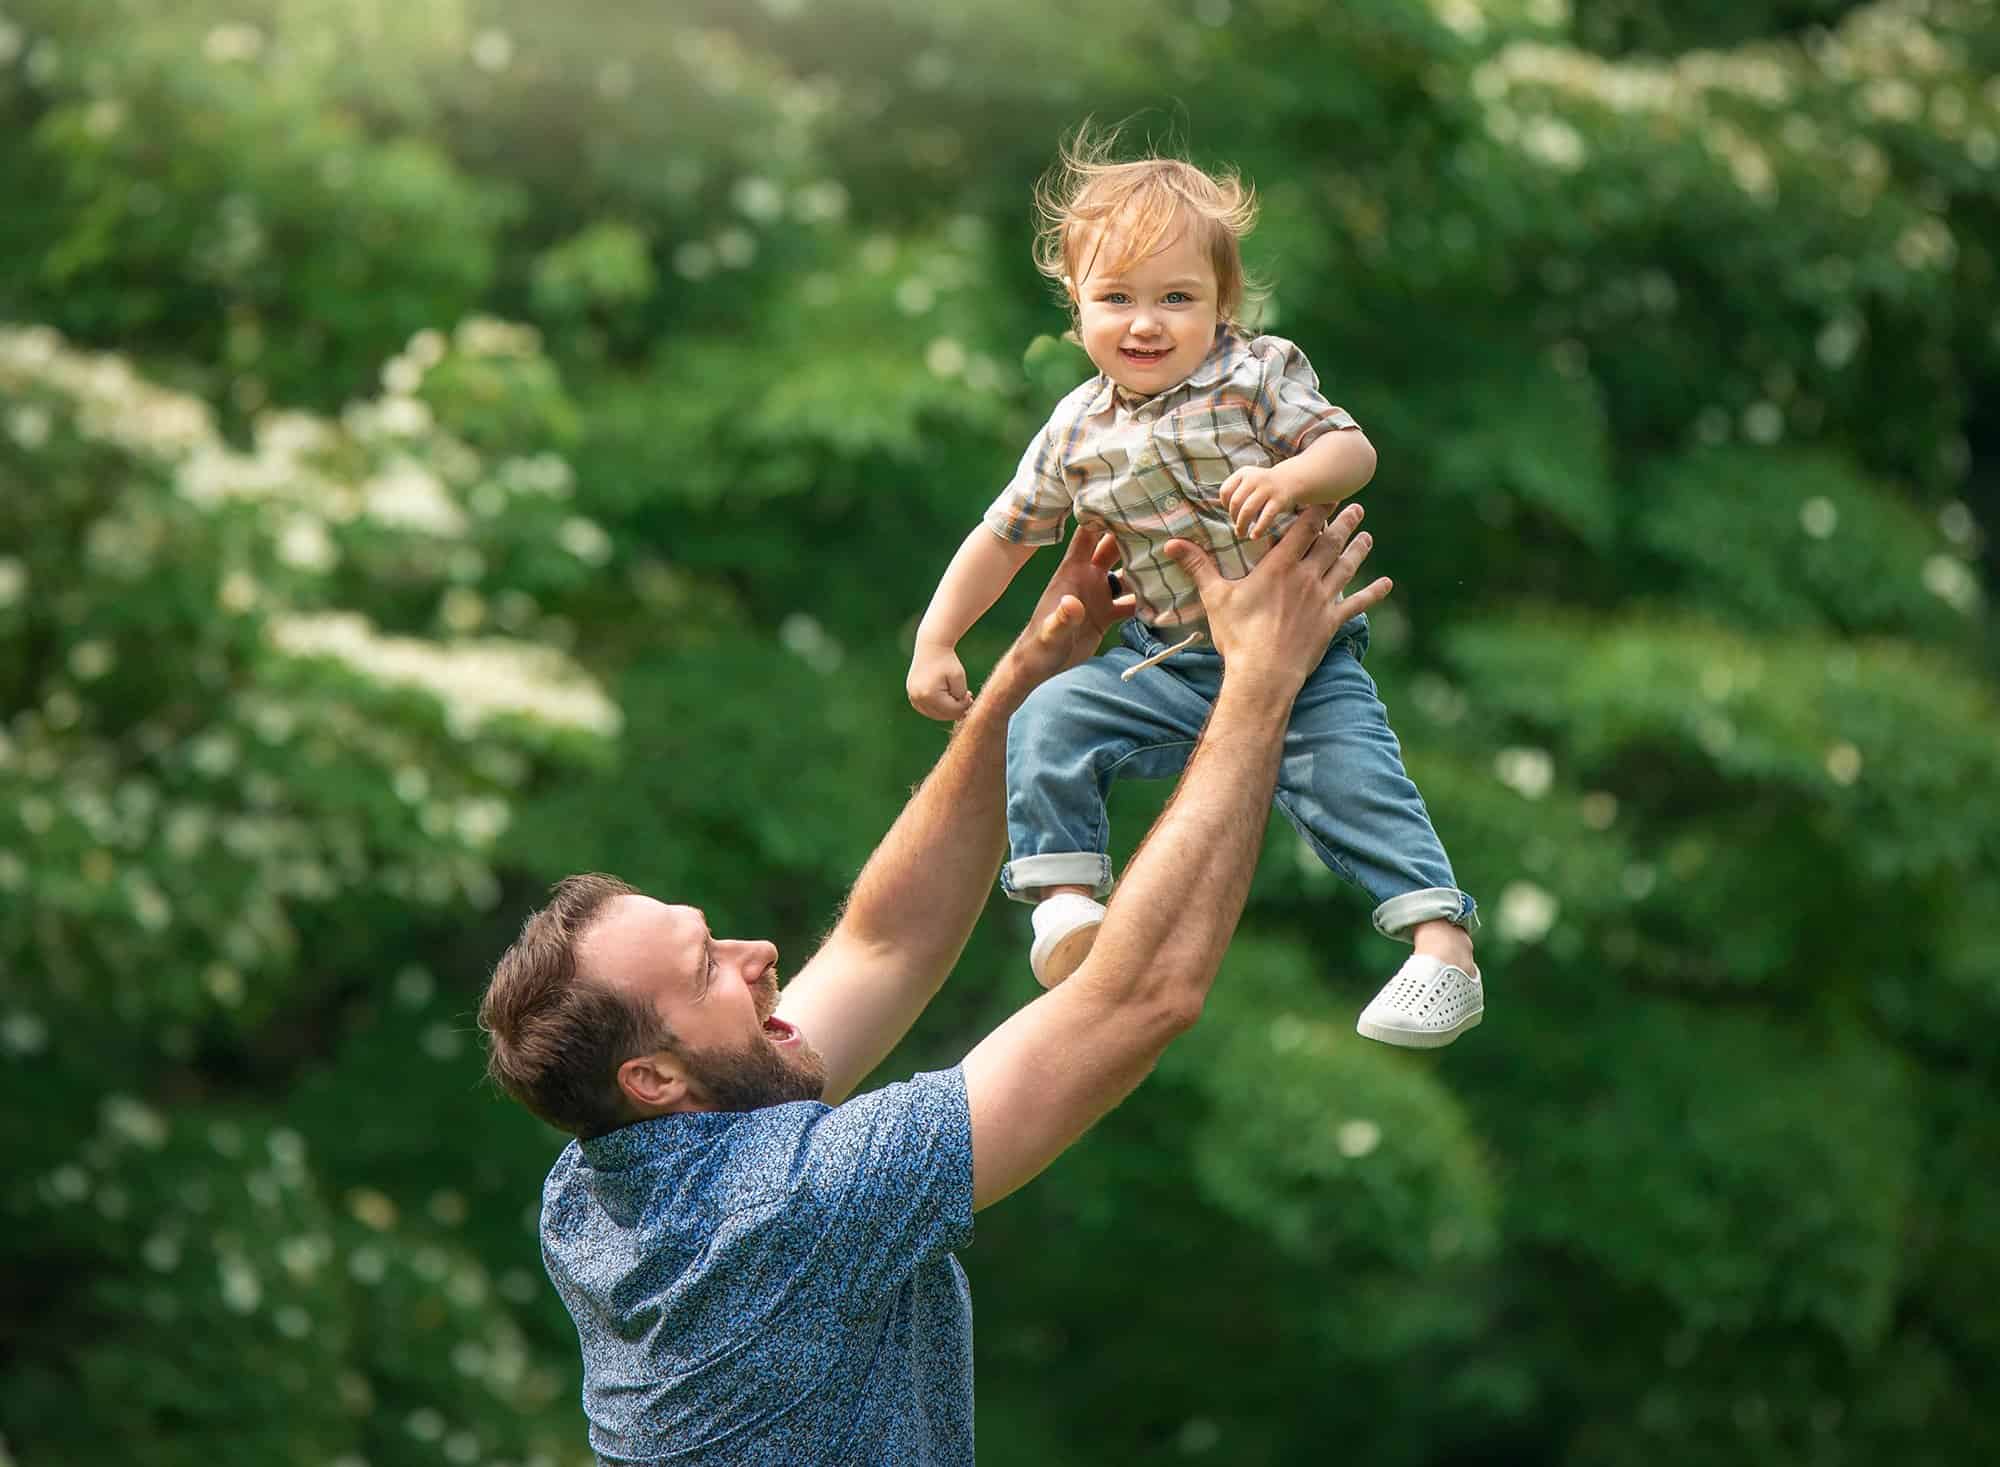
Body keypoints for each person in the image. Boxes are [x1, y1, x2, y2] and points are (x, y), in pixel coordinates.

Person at [479, 505, 1388, 1466]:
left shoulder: (592, 1187)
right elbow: (1136, 999)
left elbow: (883, 942)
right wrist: (1260, 680)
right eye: (709, 968)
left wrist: (1036, 667)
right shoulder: (786, 1205)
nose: (760, 954)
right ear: (654, 1078)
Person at [906, 132, 1481, 1047]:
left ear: (1223, 305)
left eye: (1178, 298)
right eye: (1117, 298)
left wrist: (1296, 481)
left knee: (1355, 780)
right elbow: (1003, 536)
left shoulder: (1257, 373)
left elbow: (1353, 451)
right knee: (1049, 716)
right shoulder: (1073, 429)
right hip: (1163, 659)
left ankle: (1440, 945)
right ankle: (1064, 905)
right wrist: (937, 641)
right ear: (1076, 308)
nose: (1146, 322)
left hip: (1302, 658)